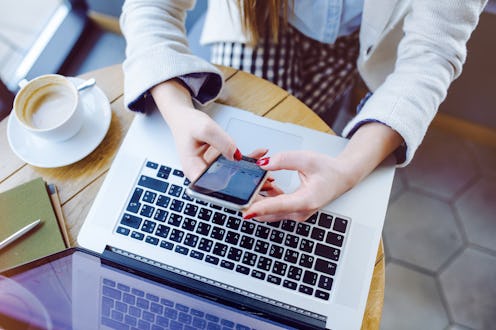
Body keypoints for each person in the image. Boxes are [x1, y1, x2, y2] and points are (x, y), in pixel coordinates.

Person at [119, 0, 487, 222]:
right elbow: (150, 7)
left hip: (358, 47)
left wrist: (346, 169)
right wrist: (177, 109)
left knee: (307, 134)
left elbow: (433, 55)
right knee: (247, 147)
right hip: (257, 19)